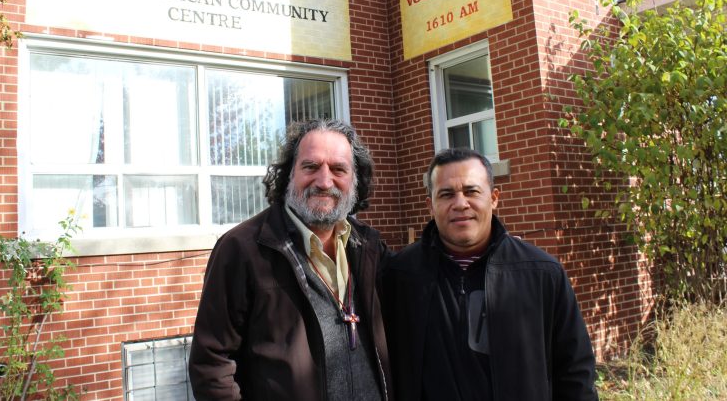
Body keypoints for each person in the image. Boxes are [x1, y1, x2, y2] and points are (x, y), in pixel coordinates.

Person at [189, 119, 393, 401]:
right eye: (310, 167)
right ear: (289, 175)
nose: (324, 181)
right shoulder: (241, 249)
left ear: (355, 181)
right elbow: (212, 365)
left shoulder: (370, 247)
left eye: (338, 169)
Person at [381, 148, 598, 400]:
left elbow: (575, 373)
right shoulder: (398, 276)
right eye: (446, 194)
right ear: (431, 204)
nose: (460, 204)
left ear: (494, 198)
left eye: (472, 191)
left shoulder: (541, 273)